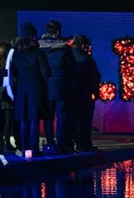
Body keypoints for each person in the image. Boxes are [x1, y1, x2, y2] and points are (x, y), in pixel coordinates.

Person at [10, 35, 51, 156]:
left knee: (24, 118)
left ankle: (24, 147)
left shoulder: (17, 54)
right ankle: (34, 148)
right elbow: (46, 72)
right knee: (34, 118)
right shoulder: (38, 53)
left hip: (22, 89)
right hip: (36, 88)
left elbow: (13, 72)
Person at [39, 20, 76, 153]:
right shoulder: (64, 48)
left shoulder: (38, 47)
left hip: (45, 85)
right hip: (61, 85)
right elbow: (72, 66)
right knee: (62, 116)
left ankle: (49, 143)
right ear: (58, 31)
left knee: (48, 116)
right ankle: (62, 144)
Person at [69, 35, 100, 152]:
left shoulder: (66, 56)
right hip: (85, 94)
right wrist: (95, 93)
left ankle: (70, 142)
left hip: (69, 94)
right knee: (85, 119)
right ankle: (84, 143)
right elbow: (94, 77)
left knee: (71, 119)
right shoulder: (87, 59)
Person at [1, 41, 15, 153]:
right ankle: (6, 143)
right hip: (7, 95)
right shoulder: (8, 64)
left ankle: (2, 143)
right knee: (8, 121)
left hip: (3, 95)